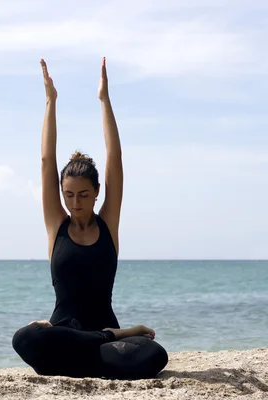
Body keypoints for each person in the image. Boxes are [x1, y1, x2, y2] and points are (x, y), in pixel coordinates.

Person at [12, 57, 168, 380]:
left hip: (99, 344)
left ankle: (101, 345)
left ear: (97, 192)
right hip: (68, 335)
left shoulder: (108, 224)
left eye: (83, 195)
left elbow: (115, 158)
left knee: (155, 354)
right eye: (68, 195)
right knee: (26, 337)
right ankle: (113, 337)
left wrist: (104, 100)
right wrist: (50, 102)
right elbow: (46, 160)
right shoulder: (58, 225)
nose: (75, 203)